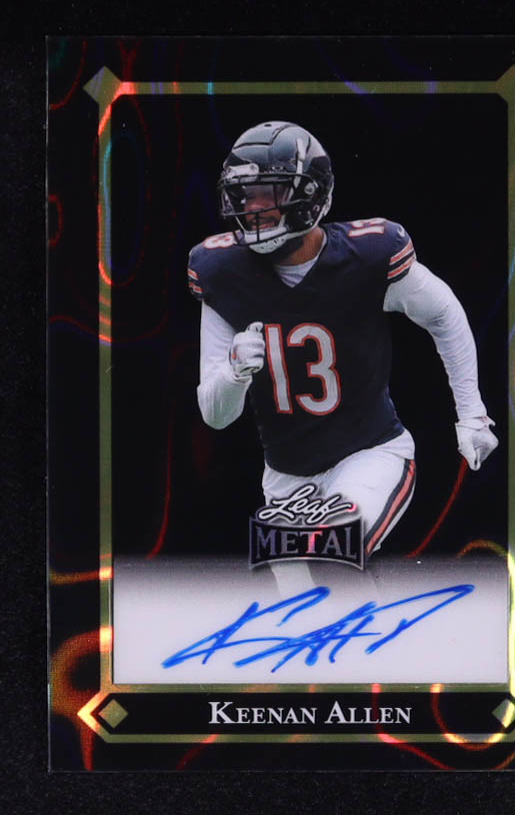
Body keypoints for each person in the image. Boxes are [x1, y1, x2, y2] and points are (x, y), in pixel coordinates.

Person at [188, 121, 498, 570]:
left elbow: (443, 313)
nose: (253, 208)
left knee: (331, 552)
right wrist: (234, 372)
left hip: (370, 455)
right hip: (285, 480)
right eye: (245, 195)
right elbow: (216, 416)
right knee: (310, 602)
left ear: (309, 195)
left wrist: (471, 413)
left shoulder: (367, 256)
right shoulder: (220, 271)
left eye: (268, 193)